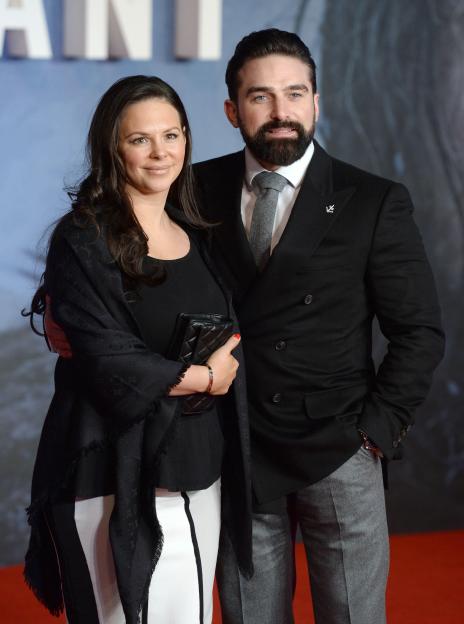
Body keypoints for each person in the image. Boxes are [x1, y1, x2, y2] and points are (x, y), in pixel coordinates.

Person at [192, 29, 445, 624]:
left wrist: (373, 435)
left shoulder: (374, 200)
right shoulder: (194, 189)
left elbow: (419, 332)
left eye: (295, 93)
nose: (281, 112)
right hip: (236, 445)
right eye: (260, 97)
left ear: (317, 102)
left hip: (338, 446)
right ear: (232, 109)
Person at [23, 75, 252, 624]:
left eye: (171, 135)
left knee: (190, 615)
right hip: (107, 469)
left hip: (196, 466)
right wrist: (205, 378)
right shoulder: (83, 238)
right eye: (139, 139)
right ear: (112, 147)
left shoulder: (197, 236)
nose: (160, 153)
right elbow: (106, 359)